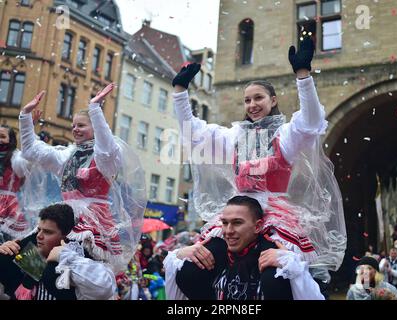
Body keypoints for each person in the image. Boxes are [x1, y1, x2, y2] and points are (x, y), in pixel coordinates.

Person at [171, 32, 346, 284]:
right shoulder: (233, 136)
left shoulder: (285, 135)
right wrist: (180, 92)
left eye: (259, 98)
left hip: (274, 218)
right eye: (247, 100)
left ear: (273, 100)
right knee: (191, 273)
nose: (252, 104)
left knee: (274, 279)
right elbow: (193, 131)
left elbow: (310, 122)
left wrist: (303, 77)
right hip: (237, 215)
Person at [18, 84, 147, 273]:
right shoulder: (67, 154)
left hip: (92, 220)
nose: (75, 130)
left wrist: (95, 109)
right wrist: (25, 116)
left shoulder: (105, 157)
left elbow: (107, 147)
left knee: (73, 266)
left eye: (81, 125)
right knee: (28, 256)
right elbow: (31, 150)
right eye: (73, 126)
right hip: (63, 215)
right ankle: (30, 287)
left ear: (95, 128)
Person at [164, 195, 325, 300]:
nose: (228, 231)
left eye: (237, 223)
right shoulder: (216, 257)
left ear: (258, 226)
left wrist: (292, 265)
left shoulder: (277, 261)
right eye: (225, 223)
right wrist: (179, 254)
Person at [0, 203, 116, 300]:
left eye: (48, 232)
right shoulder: (31, 255)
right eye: (39, 230)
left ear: (65, 236)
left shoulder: (76, 262)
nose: (39, 236)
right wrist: (4, 251)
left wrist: (64, 256)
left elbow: (105, 287)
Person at [0, 124, 31, 241]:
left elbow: (23, 176)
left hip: (9, 203)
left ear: (11, 140)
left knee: (11, 239)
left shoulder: (17, 157)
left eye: (2, 136)